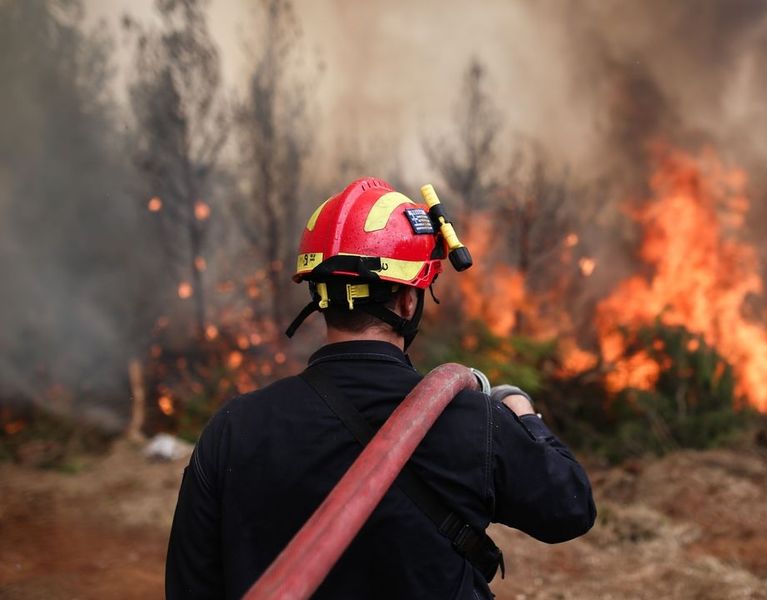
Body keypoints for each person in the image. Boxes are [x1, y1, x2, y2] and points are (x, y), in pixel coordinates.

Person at [165, 177, 596, 599]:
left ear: (320, 296)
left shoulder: (234, 427)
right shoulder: (474, 421)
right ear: (408, 301)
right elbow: (570, 509)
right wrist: (521, 411)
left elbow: (190, 585)